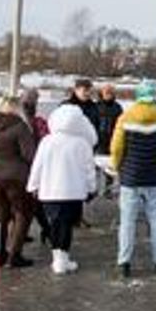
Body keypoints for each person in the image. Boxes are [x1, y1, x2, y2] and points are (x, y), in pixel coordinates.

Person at [110, 81, 156, 277]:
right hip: (155, 177)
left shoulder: (125, 117)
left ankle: (124, 263)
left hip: (130, 178)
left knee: (127, 221)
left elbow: (116, 148)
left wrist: (117, 167)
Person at [26, 100, 97, 275]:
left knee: (54, 224)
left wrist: (32, 185)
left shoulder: (47, 141)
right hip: (73, 192)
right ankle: (62, 259)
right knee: (66, 225)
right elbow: (89, 170)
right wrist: (91, 188)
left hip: (49, 191)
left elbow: (38, 165)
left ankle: (57, 257)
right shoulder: (82, 143)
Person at [0, 96, 35, 267]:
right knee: (22, 214)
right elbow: (29, 155)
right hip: (15, 176)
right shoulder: (21, 127)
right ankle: (15, 256)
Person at [21, 88, 52, 246]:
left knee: (26, 204)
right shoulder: (38, 123)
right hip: (33, 165)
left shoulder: (18, 122)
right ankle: (46, 229)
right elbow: (46, 141)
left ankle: (23, 233)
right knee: (34, 203)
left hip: (22, 167)